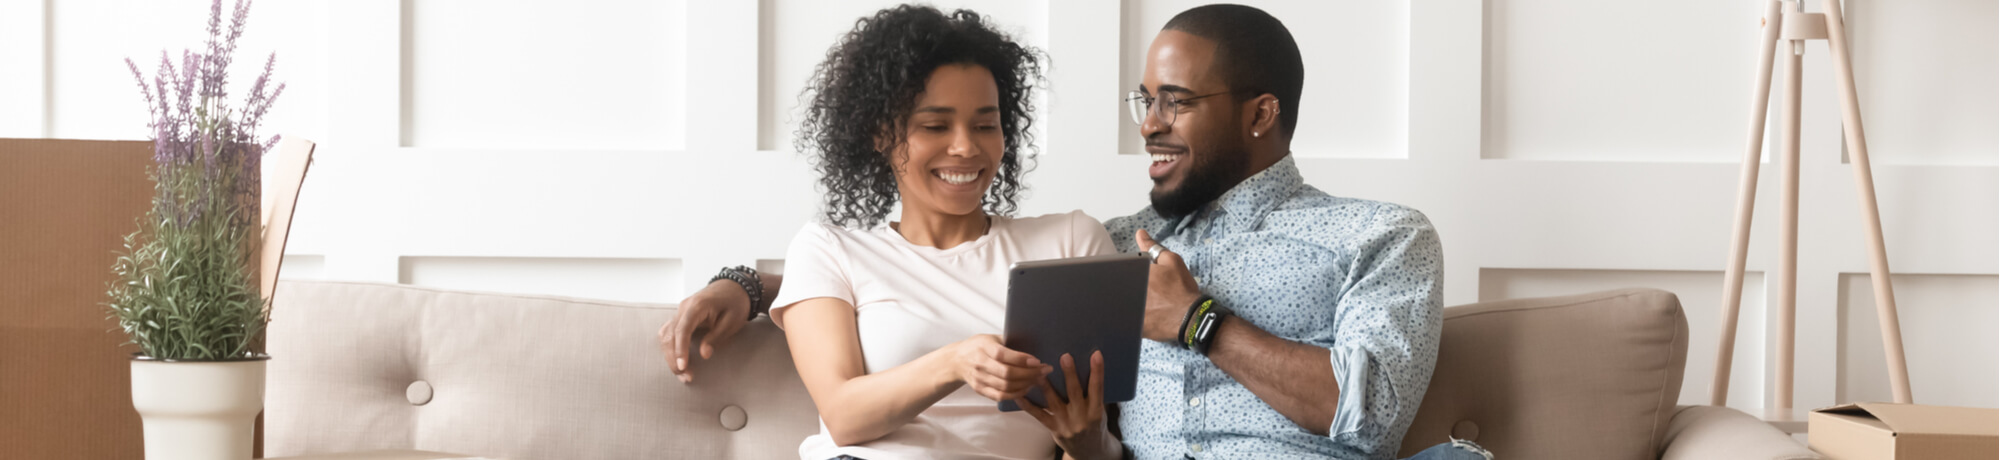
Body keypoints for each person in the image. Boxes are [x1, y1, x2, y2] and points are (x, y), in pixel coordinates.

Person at [663, 4, 1490, 460]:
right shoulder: (1118, 246)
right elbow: (876, 278)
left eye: (1176, 103)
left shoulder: (1377, 236)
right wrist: (749, 284)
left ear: (1262, 114)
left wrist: (1197, 322)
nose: (1150, 128)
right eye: (1145, 102)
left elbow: (1371, 414)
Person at [740, 5, 1124, 460]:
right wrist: (955, 362)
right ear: (881, 133)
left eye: (985, 124)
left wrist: (1088, 445)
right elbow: (843, 416)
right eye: (935, 126)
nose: (965, 146)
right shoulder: (829, 250)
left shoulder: (1072, 243)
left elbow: (1093, 438)